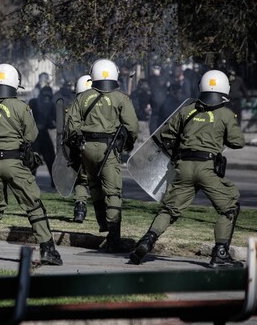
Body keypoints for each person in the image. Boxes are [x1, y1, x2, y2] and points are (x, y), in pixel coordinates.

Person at [129, 70, 245, 268]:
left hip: (182, 167)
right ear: (224, 89)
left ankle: (146, 241)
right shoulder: (225, 114)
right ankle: (220, 253)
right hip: (207, 168)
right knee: (230, 207)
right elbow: (238, 142)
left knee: (170, 210)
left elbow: (165, 134)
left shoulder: (187, 110)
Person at [0, 63, 62, 266]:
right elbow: (32, 135)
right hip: (15, 163)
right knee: (34, 206)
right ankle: (48, 250)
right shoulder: (21, 106)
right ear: (14, 84)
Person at [66, 59, 138, 252]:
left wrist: (78, 139)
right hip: (108, 149)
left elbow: (71, 122)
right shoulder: (121, 98)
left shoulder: (83, 97)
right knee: (113, 192)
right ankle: (114, 237)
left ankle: (102, 224)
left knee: (94, 185)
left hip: (86, 148)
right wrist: (128, 144)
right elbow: (132, 127)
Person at [70, 75, 92, 223]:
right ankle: (109, 218)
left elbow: (69, 128)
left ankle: (80, 208)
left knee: (82, 181)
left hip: (80, 148)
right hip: (103, 149)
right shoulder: (104, 104)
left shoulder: (74, 106)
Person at [28, 85, 57, 187]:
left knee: (50, 159)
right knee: (32, 159)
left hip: (43, 133)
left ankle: (54, 182)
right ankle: (31, 182)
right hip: (35, 134)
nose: (46, 99)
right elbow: (28, 118)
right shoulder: (33, 102)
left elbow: (53, 122)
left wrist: (51, 123)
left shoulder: (52, 105)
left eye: (48, 97)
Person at [130, 78, 152, 143]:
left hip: (136, 120)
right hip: (142, 120)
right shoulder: (143, 94)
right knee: (144, 143)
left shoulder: (134, 94)